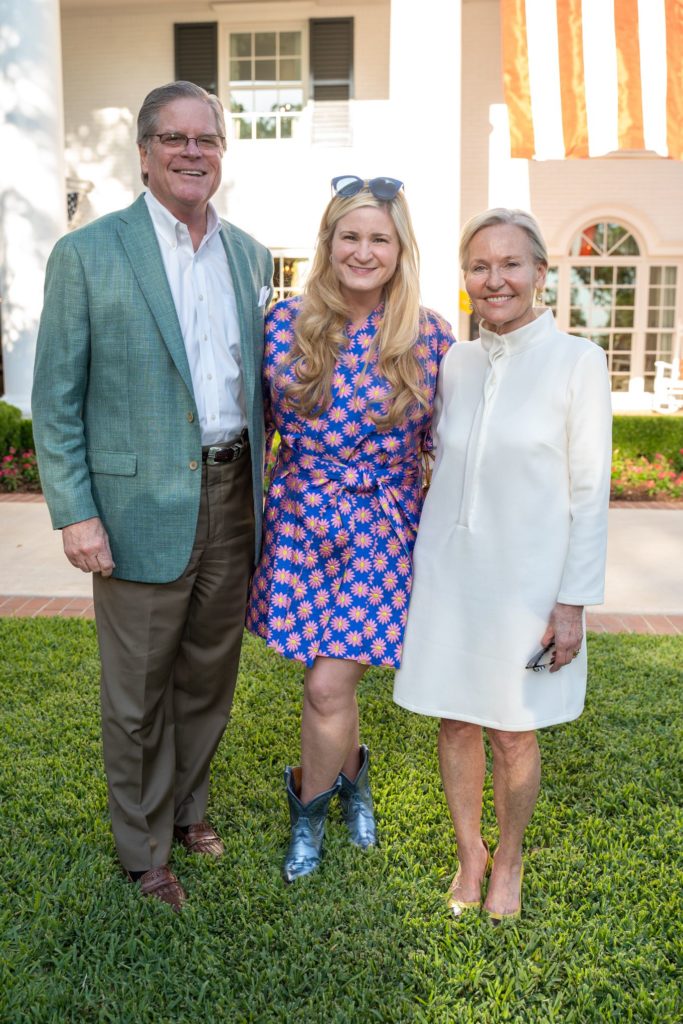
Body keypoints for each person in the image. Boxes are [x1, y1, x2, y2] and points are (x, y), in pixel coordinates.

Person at [31, 81, 273, 911]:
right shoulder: (90, 254)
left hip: (235, 490)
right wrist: (75, 509)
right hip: (136, 508)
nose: (191, 152)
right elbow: (56, 397)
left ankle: (186, 807)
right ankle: (144, 849)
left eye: (206, 139)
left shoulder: (250, 255)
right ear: (144, 152)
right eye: (173, 138)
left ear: (221, 154)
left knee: (209, 675)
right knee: (136, 693)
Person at [394, 208, 612, 922]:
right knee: (455, 721)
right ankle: (468, 855)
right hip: (452, 574)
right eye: (479, 266)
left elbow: (588, 492)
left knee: (513, 729)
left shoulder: (577, 361)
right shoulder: (455, 361)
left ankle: (510, 860)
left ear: (540, 274)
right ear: (465, 279)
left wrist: (572, 601)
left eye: (510, 264)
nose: (494, 280)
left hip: (528, 581)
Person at [246, 176, 454, 881]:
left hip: (383, 528)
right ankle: (353, 779)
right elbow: (255, 430)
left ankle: (307, 812)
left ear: (400, 250)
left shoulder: (428, 335)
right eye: (350, 237)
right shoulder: (282, 325)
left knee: (329, 686)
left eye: (379, 239)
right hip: (302, 523)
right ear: (328, 244)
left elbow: (450, 448)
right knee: (325, 676)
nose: (363, 252)